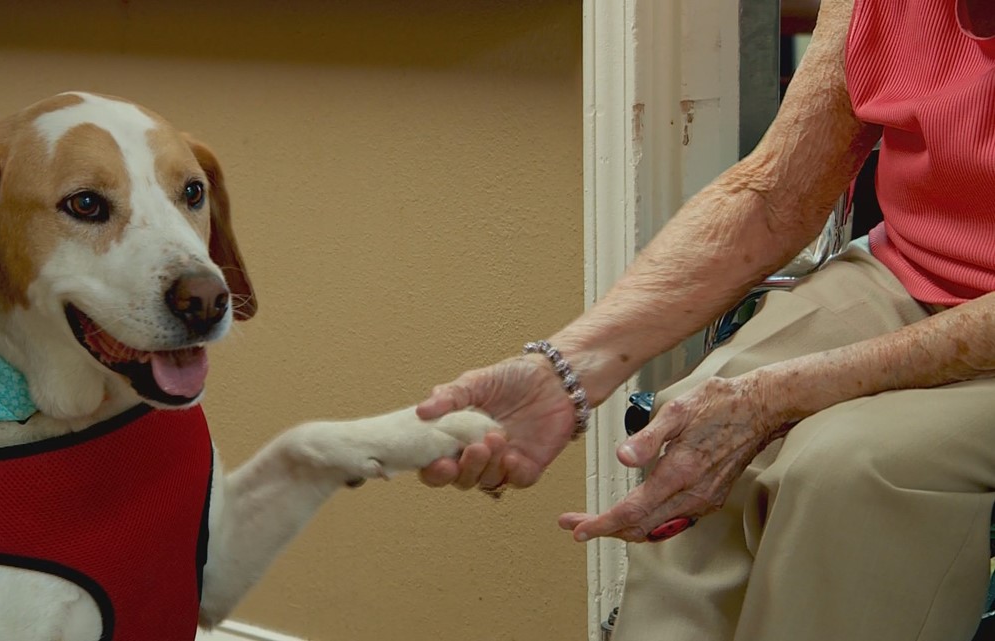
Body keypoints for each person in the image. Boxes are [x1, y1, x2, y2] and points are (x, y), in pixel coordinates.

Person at [417, 0, 995, 639]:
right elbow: (774, 195)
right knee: (693, 423)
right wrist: (566, 370)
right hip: (910, 272)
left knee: (844, 470)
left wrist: (776, 398)